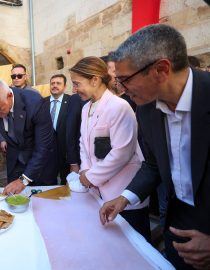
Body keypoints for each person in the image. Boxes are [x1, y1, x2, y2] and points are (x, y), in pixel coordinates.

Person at [99, 24, 210, 269]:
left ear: (161, 69)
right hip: (176, 223)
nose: (120, 89)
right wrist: (124, 198)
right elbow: (154, 164)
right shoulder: (147, 107)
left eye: (125, 80)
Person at [70, 56, 151, 242]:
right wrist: (85, 170)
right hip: (97, 188)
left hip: (122, 191)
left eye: (77, 84)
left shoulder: (119, 107)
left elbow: (121, 153)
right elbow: (84, 143)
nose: (74, 90)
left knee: (134, 245)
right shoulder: (86, 108)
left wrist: (90, 176)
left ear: (95, 79)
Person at [0, 79, 60, 195]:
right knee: (13, 199)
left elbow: (44, 147)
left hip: (41, 164)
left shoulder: (36, 103)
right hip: (16, 162)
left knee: (42, 204)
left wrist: (24, 180)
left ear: (9, 96)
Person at [45, 74, 81, 183]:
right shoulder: (42, 102)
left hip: (66, 152)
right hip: (48, 152)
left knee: (67, 183)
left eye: (58, 83)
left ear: (65, 87)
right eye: (52, 83)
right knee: (48, 183)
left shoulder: (72, 101)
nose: (55, 86)